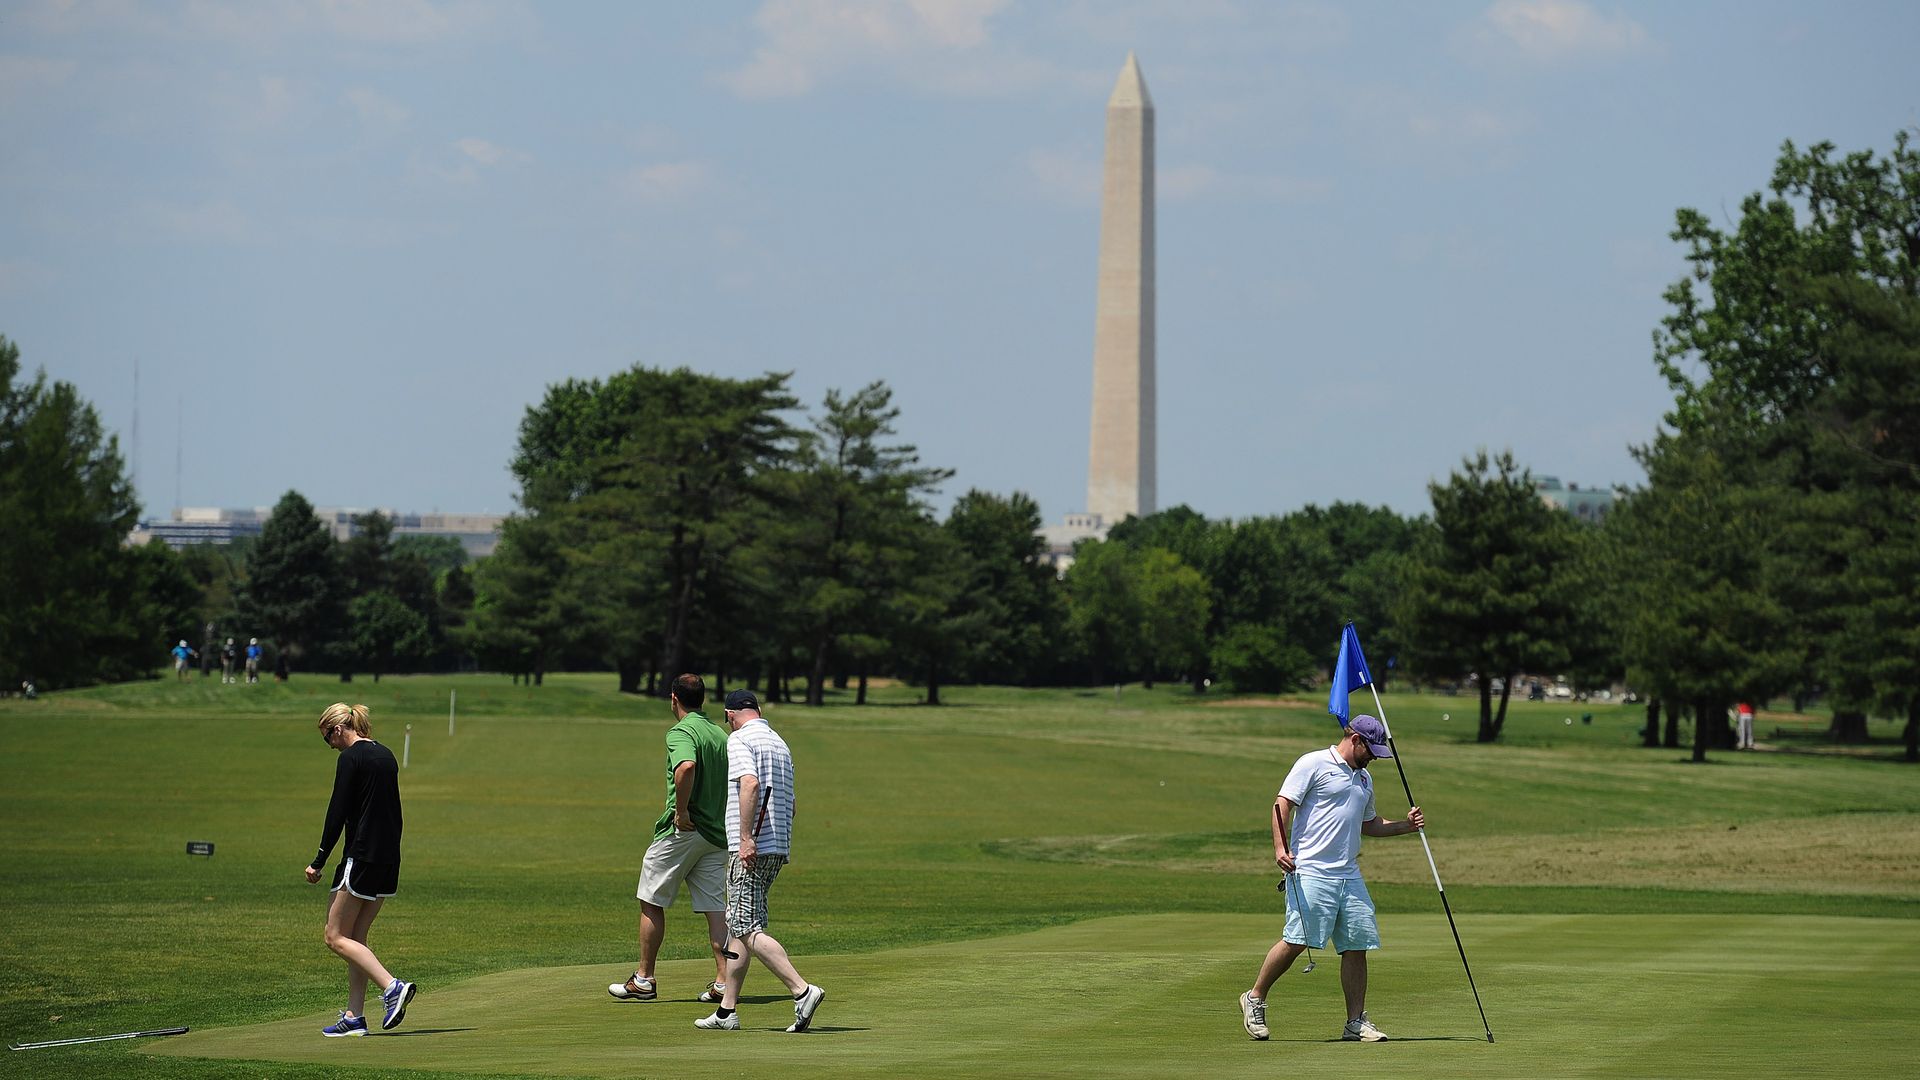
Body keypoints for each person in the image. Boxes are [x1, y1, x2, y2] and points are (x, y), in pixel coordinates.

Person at [1239, 715, 1425, 1043]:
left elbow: (1369, 824)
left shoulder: (1364, 779)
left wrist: (1406, 827)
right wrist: (1281, 848)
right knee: (1298, 940)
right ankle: (1254, 997)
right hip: (1310, 870)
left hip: (1348, 874)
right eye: (1371, 749)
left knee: (1357, 945)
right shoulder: (1313, 763)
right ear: (1355, 740)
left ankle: (1355, 1022)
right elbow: (1282, 804)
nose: (1373, 758)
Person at [695, 689, 825, 1033]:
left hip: (751, 848)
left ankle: (802, 990)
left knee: (746, 927)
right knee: (741, 922)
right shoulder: (780, 742)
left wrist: (746, 838)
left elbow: (749, 784)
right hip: (778, 844)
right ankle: (727, 1012)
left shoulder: (738, 740)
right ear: (758, 710)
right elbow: (792, 803)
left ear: (729, 715)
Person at [607, 673, 732, 1005]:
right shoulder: (720, 734)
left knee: (651, 899)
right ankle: (724, 981)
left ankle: (644, 979)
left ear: (674, 699)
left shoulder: (682, 731)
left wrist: (680, 812)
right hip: (716, 835)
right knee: (715, 908)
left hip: (685, 831)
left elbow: (686, 766)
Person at [303, 702, 417, 1037]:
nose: (330, 745)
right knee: (356, 937)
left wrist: (319, 860)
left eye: (327, 738)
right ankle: (354, 1017)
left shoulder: (350, 758)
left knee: (334, 936)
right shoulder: (385, 754)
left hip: (361, 855)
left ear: (337, 729)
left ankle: (391, 987)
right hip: (387, 858)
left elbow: (336, 812)